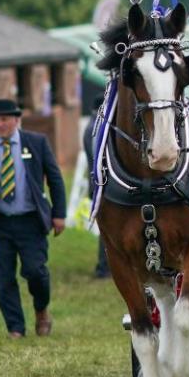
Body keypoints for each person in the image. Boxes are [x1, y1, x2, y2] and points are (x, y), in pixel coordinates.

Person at [0, 99, 66, 338]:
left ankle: (41, 309)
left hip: (31, 220)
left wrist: (59, 214)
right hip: (0, 222)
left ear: (16, 120)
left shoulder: (36, 142)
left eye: (4, 119)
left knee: (36, 271)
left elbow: (55, 178)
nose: (0, 124)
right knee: (4, 278)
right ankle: (15, 327)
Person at [83, 95, 109, 279]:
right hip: (103, 185)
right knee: (107, 230)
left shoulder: (90, 125)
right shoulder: (96, 127)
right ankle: (104, 267)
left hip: (96, 185)